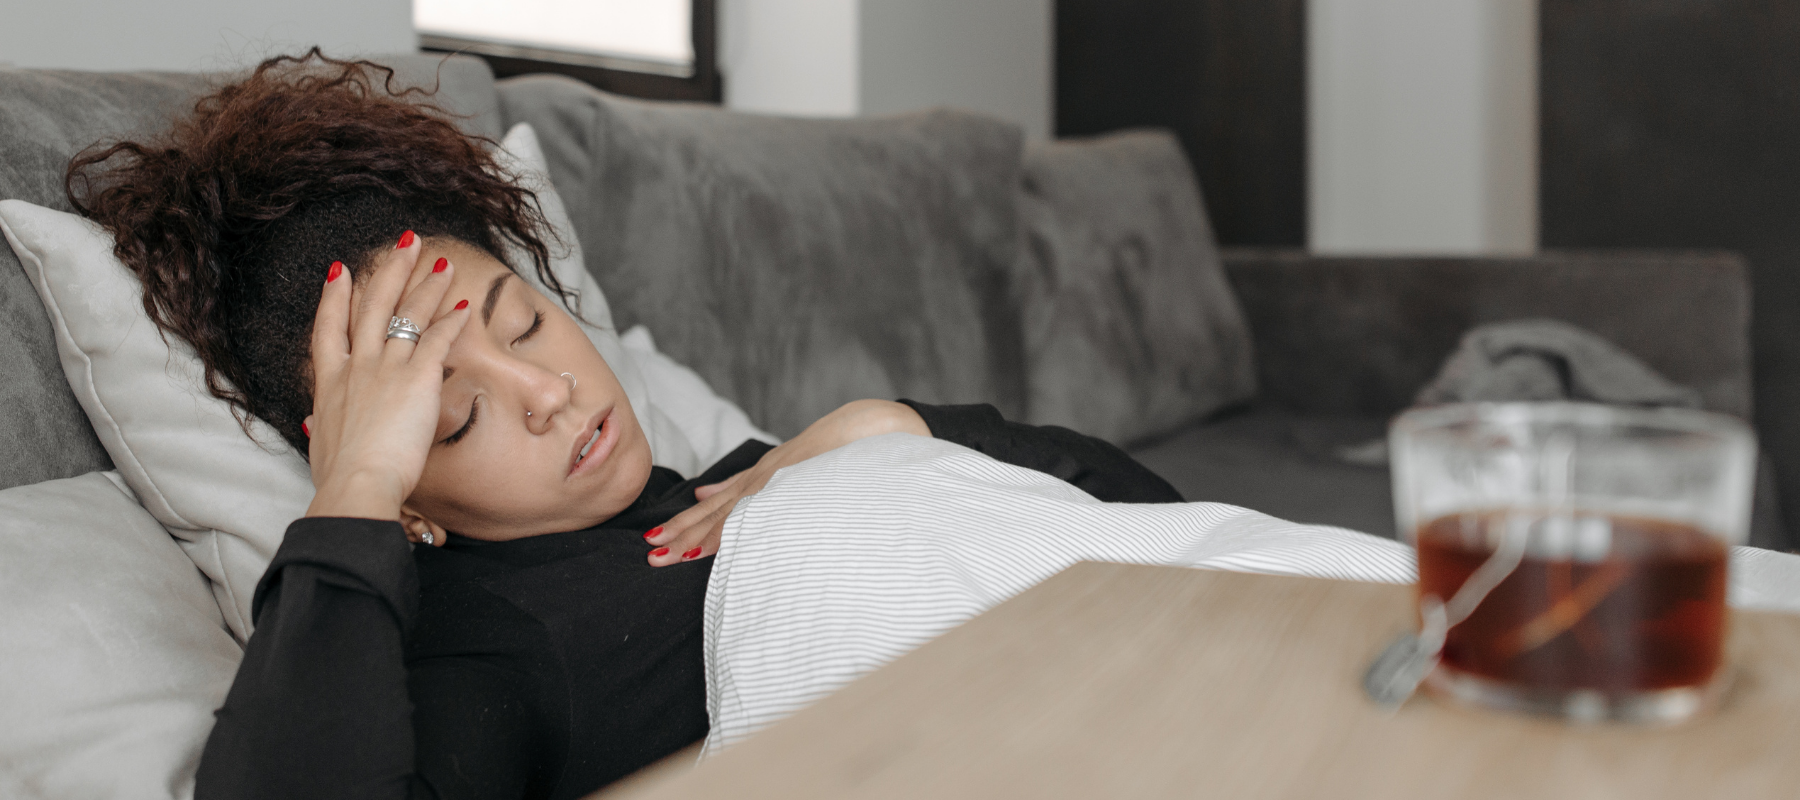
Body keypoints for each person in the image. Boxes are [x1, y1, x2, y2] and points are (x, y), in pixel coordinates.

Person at [69, 51, 1181, 800]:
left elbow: (1155, 521)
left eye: (527, 320)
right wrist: (352, 490)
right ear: (404, 483)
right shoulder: (505, 639)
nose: (549, 390)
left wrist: (889, 424)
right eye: (456, 418)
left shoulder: (750, 475)